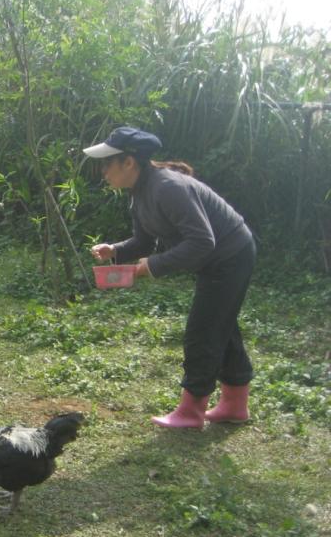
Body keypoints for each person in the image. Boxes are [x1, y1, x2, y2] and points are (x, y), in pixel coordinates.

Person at [85, 126, 256, 428]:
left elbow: (203, 241)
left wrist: (148, 267)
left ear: (129, 162)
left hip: (231, 255)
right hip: (217, 258)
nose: (103, 172)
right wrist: (115, 250)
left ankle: (191, 411)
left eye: (107, 163)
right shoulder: (139, 193)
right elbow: (143, 241)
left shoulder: (167, 187)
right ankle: (234, 404)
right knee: (221, 326)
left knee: (203, 331)